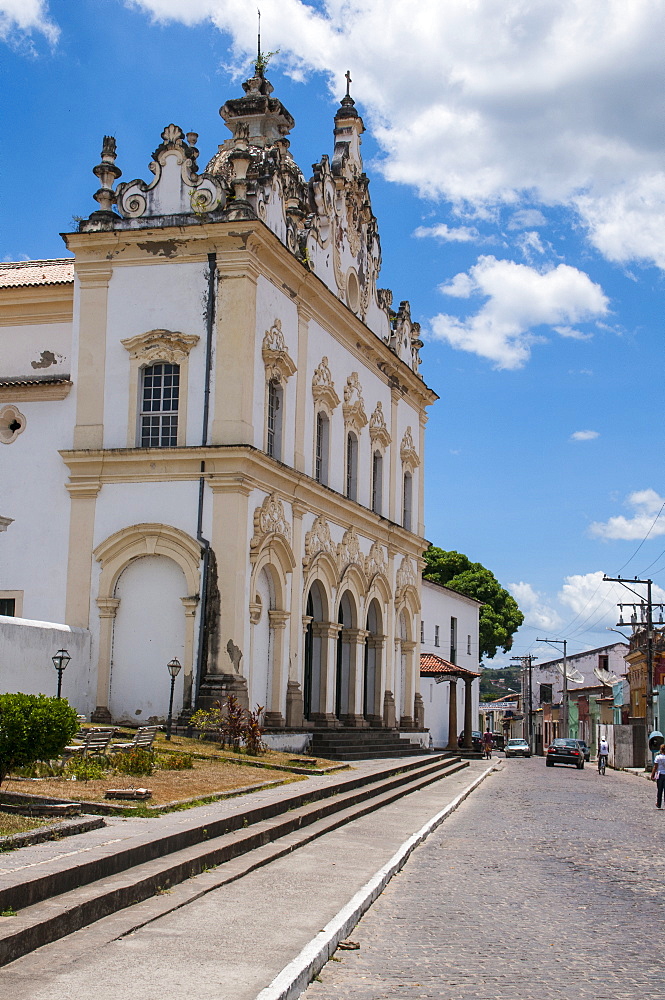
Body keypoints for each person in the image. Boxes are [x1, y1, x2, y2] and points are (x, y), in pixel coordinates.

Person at [650, 743, 665, 808]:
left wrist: (652, 775)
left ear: (661, 750)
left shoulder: (658, 757)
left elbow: (655, 767)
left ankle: (659, 803)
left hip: (660, 775)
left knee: (660, 790)